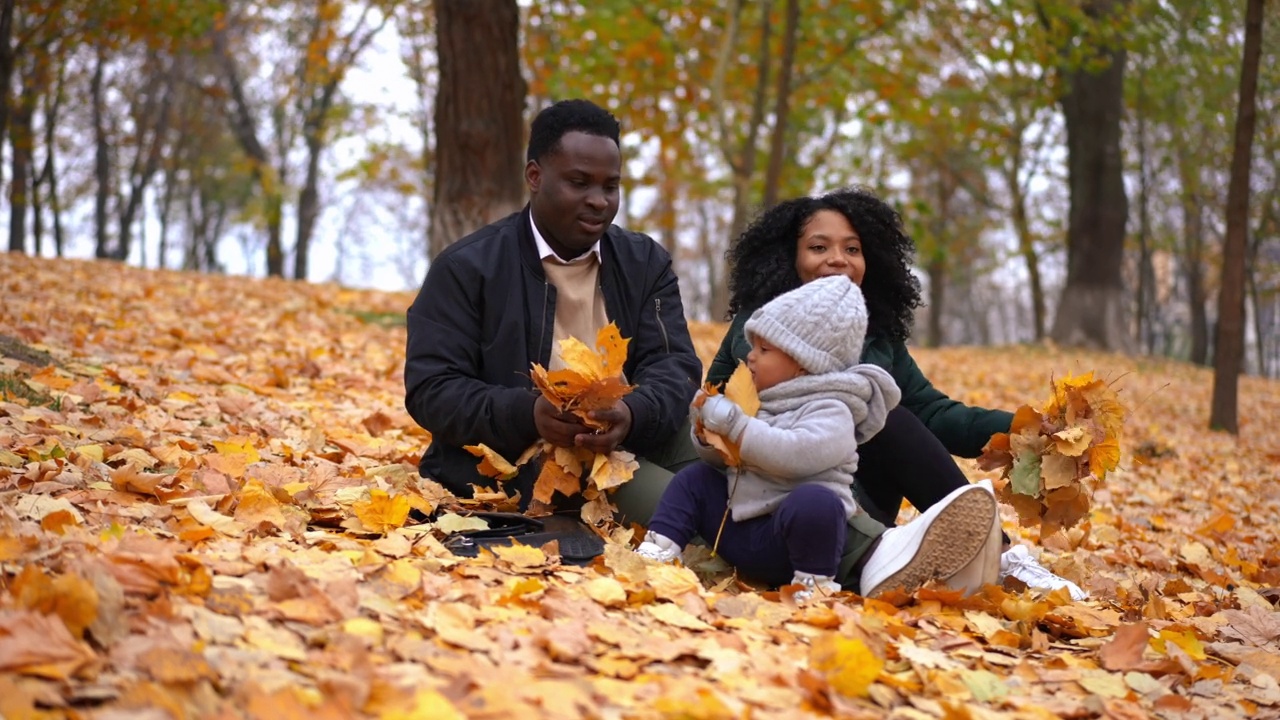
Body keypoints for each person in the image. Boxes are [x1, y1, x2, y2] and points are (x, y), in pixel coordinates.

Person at [704, 187, 1086, 600]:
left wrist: (1024, 429)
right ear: (788, 258)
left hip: (856, 494)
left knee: (894, 414)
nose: (838, 259)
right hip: (781, 500)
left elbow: (934, 414)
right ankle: (894, 556)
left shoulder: (878, 340)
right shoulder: (759, 331)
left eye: (853, 248)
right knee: (874, 412)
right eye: (819, 247)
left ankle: (1001, 558)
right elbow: (721, 414)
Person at [403, 99, 701, 524]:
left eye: (610, 186)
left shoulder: (644, 263)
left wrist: (633, 413)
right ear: (535, 176)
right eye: (579, 183)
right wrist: (529, 413)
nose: (598, 201)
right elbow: (432, 390)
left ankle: (814, 552)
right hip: (522, 459)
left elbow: (675, 366)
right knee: (693, 515)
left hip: (630, 434)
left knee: (737, 477)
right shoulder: (468, 267)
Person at [637, 275, 1003, 599]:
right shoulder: (755, 396)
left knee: (817, 502)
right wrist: (708, 436)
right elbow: (723, 458)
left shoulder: (832, 409)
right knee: (696, 480)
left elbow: (795, 454)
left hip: (791, 541)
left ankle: (814, 583)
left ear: (802, 361)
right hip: (737, 528)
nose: (750, 358)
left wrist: (737, 427)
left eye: (764, 350)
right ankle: (661, 547)